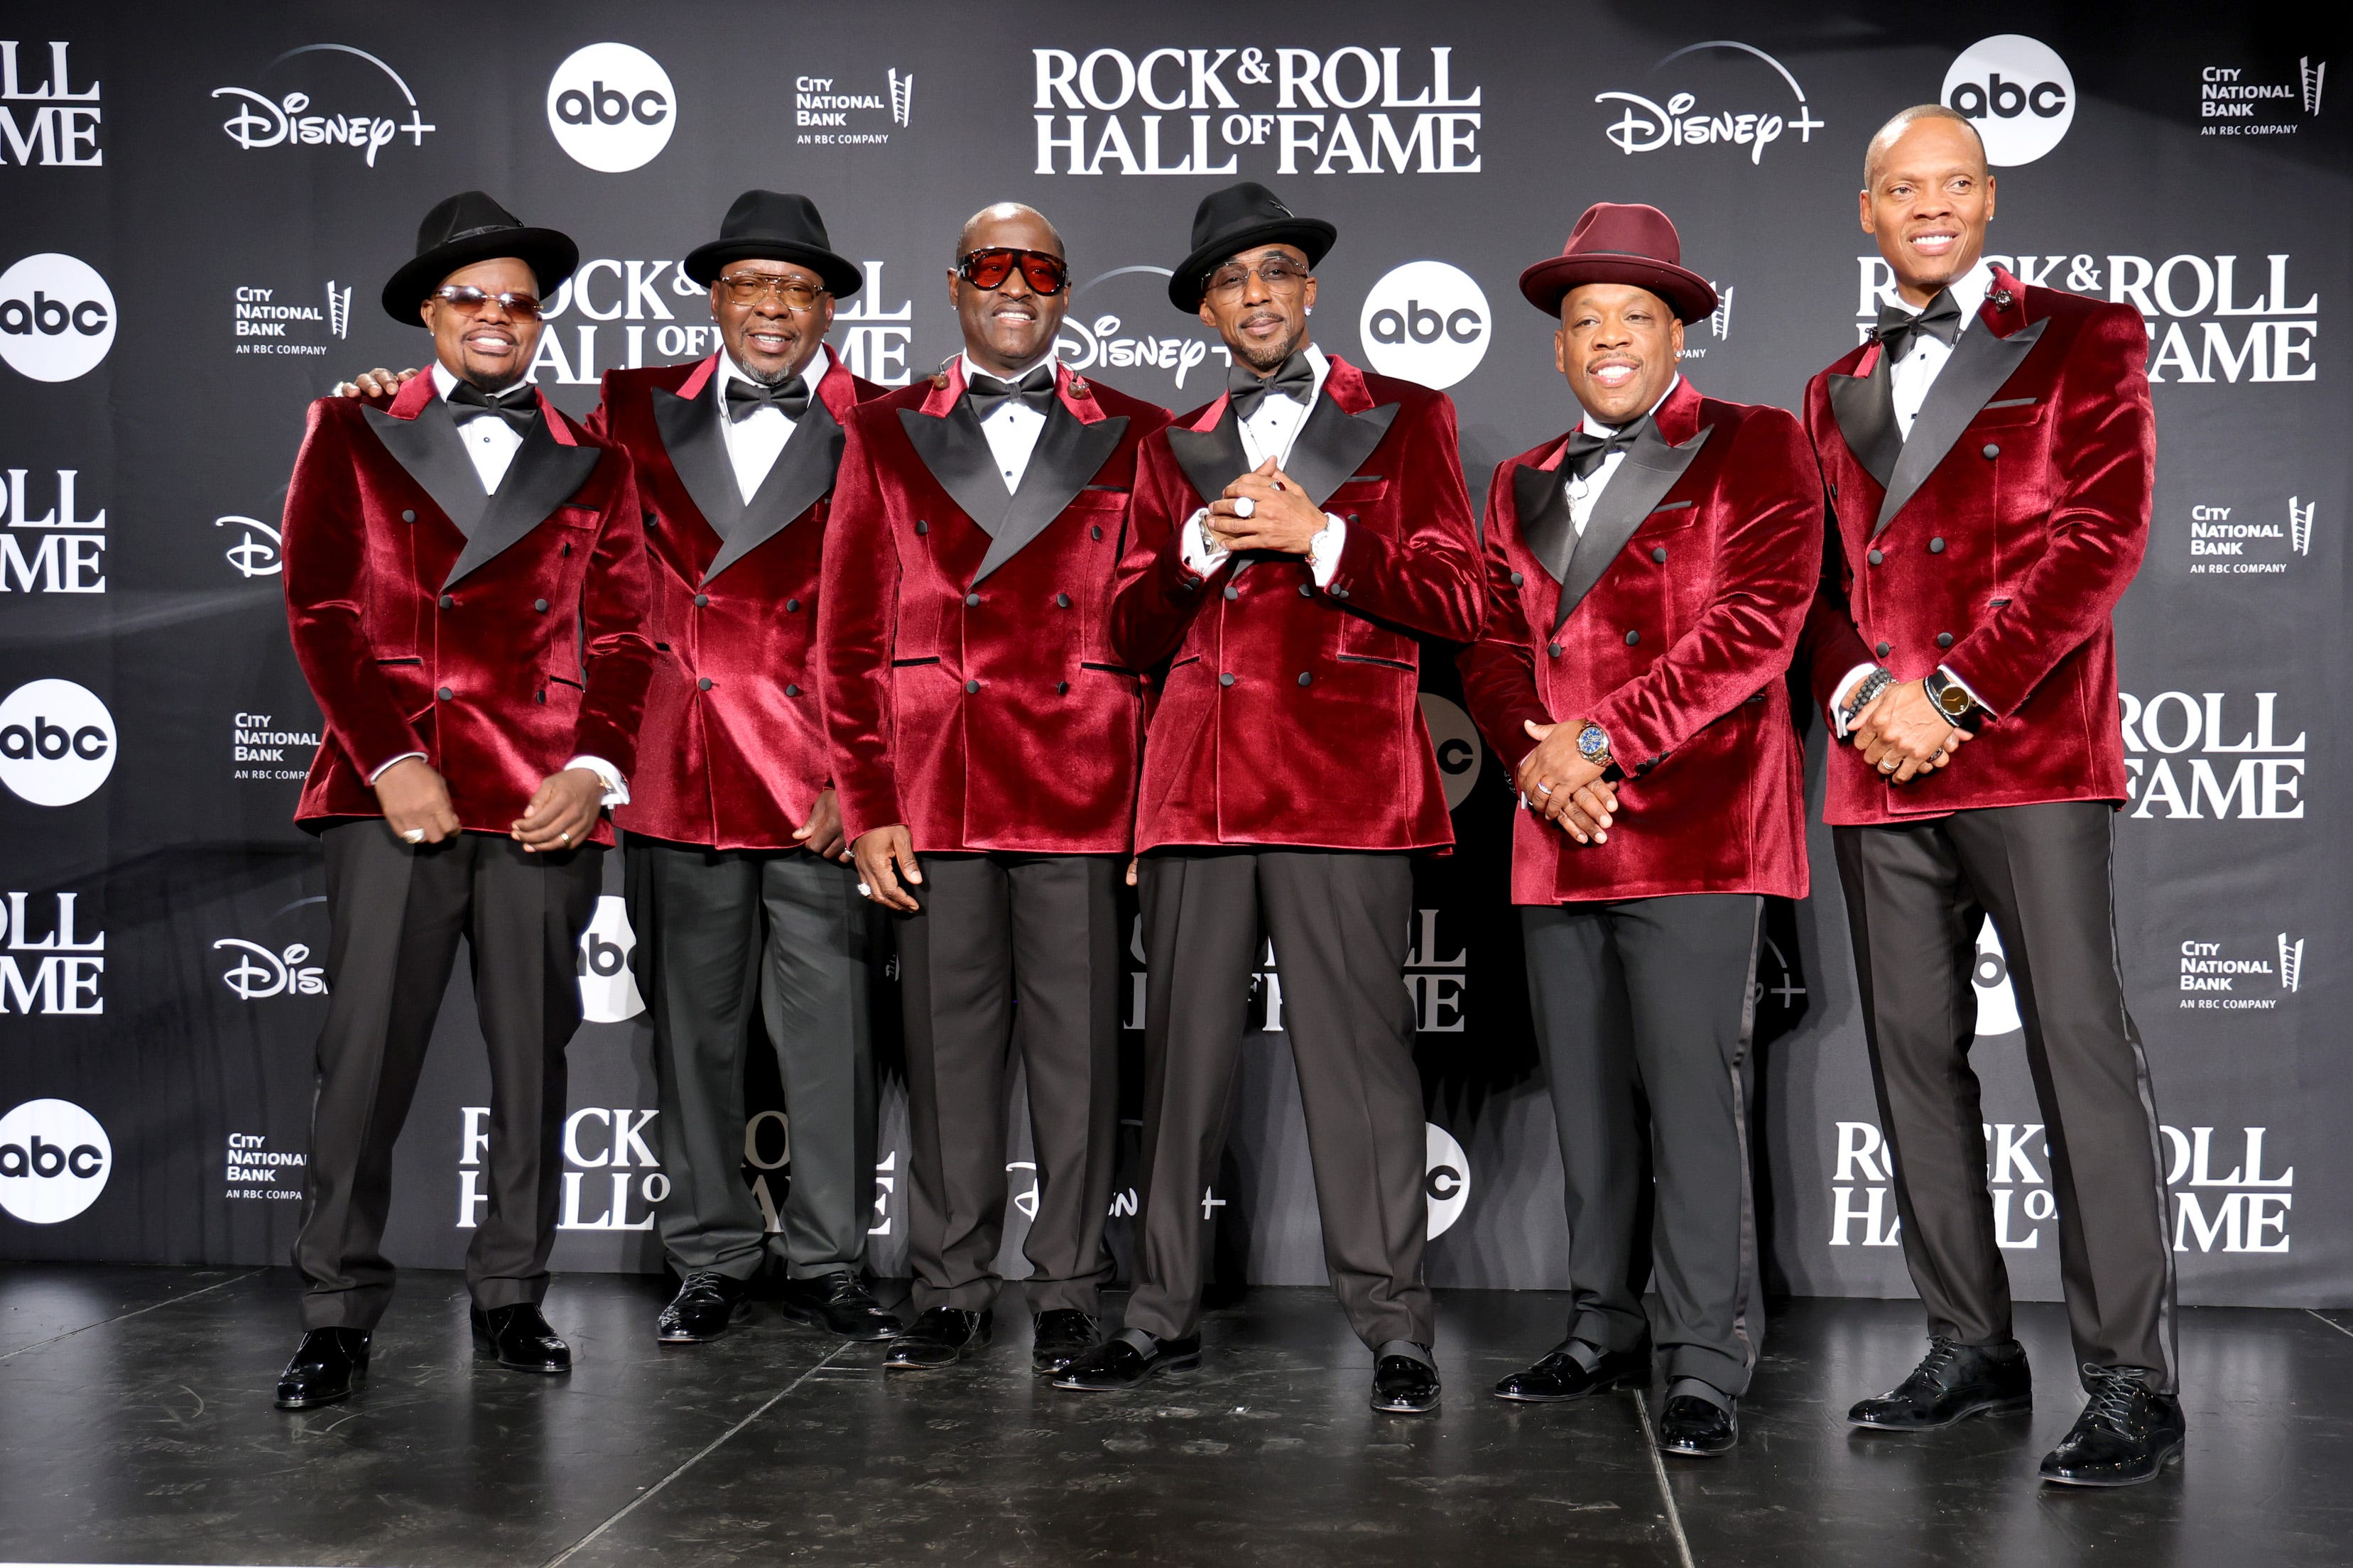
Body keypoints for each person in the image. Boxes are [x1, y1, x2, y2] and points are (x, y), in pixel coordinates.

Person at [332, 193, 902, 1348]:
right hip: (674, 766)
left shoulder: (887, 423)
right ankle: (709, 1256)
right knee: (689, 1032)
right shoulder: (628, 407)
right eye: (750, 284)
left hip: (817, 777)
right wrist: (386, 402)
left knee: (832, 1036)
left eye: (798, 288)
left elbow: (902, 614)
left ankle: (830, 1259)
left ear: (831, 309)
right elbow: (512, 473)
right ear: (713, 300)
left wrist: (863, 775)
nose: (773, 307)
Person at [1054, 182, 1481, 1415]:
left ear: (1309, 290)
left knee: (1361, 1069)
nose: (1255, 295)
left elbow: (1459, 599)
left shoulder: (1406, 416)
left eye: (1275, 272)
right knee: (1182, 1071)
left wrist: (1322, 538)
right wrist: (1193, 552)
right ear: (1205, 310)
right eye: (1230, 281)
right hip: (1197, 790)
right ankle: (1157, 1313)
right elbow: (1123, 635)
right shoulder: (1166, 447)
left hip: (1345, 787)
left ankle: (1394, 1327)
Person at [1804, 105, 2179, 1486]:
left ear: (1988, 198)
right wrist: (1863, 695)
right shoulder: (1831, 387)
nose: (1930, 205)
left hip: (2024, 752)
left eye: (1953, 182)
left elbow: (2100, 538)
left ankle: (2132, 1380)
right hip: (1877, 773)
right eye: (1902, 188)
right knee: (1914, 1065)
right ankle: (1969, 1344)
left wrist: (1953, 696)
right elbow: (1817, 589)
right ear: (1867, 211)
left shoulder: (2086, 335)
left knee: (2078, 1052)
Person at [272, 192, 653, 1410]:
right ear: (428, 313)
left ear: (541, 322)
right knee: (363, 1059)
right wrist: (391, 760)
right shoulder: (352, 426)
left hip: (542, 799)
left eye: (519, 303)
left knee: (532, 1064)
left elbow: (630, 638)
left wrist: (593, 771)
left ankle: (511, 1297)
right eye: (472, 298)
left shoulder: (599, 460)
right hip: (395, 792)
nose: (498, 317)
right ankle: (336, 1313)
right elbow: (321, 610)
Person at [1456, 204, 1820, 1457]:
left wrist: (1595, 745)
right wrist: (1535, 760)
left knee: (1691, 1102)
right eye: (1584, 320)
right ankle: (1600, 1324)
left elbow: (1755, 628)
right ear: (1558, 348)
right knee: (1589, 1106)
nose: (1607, 336)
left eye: (1633, 315)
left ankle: (1703, 1357)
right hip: (1554, 829)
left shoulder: (1756, 444)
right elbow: (1490, 642)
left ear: (1678, 334)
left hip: (1697, 826)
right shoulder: (1515, 480)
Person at [817, 202, 1170, 1376]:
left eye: (1041, 270)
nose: (1016, 285)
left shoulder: (1137, 431)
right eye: (992, 266)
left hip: (1084, 785)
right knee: (946, 1057)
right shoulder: (879, 431)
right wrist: (868, 802)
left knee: (1080, 1065)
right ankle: (950, 1284)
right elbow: (846, 640)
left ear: (1064, 291)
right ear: (955, 283)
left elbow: (1159, 639)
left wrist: (1150, 807)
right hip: (938, 791)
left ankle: (1068, 1284)